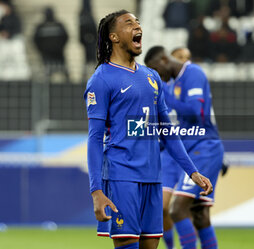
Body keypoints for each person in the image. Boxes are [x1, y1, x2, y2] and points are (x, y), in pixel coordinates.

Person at [84, 10, 213, 249]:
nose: (137, 26)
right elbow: (94, 139)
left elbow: (167, 130)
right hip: (121, 176)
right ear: (113, 37)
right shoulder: (101, 80)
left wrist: (192, 172)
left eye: (138, 22)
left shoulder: (152, 77)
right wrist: (96, 191)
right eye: (128, 23)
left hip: (153, 177)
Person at [145, 46, 224, 249]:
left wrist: (164, 97)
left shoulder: (193, 73)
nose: (157, 75)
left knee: (177, 210)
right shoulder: (176, 82)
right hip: (194, 148)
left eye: (156, 69)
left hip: (203, 147)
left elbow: (196, 111)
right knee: (199, 214)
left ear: (164, 60)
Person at [34, 7, 69, 82]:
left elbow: (35, 40)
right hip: (57, 53)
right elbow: (66, 37)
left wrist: (41, 50)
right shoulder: (59, 25)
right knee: (62, 73)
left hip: (49, 54)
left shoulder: (41, 26)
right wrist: (60, 47)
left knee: (49, 74)